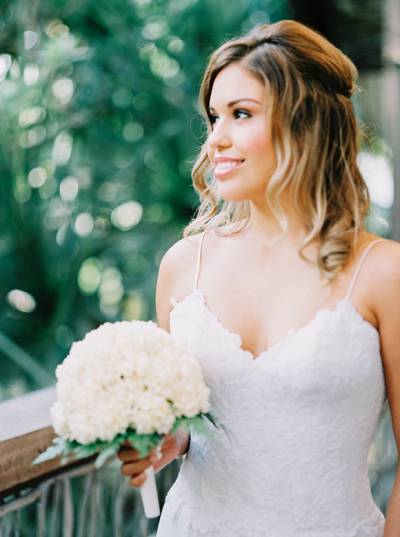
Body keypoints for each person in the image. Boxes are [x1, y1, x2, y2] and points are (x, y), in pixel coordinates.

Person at [118, 19, 400, 536]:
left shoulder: (383, 272)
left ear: (305, 124)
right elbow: (189, 427)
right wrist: (159, 443)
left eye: (241, 114)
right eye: (213, 117)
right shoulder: (184, 266)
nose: (216, 139)